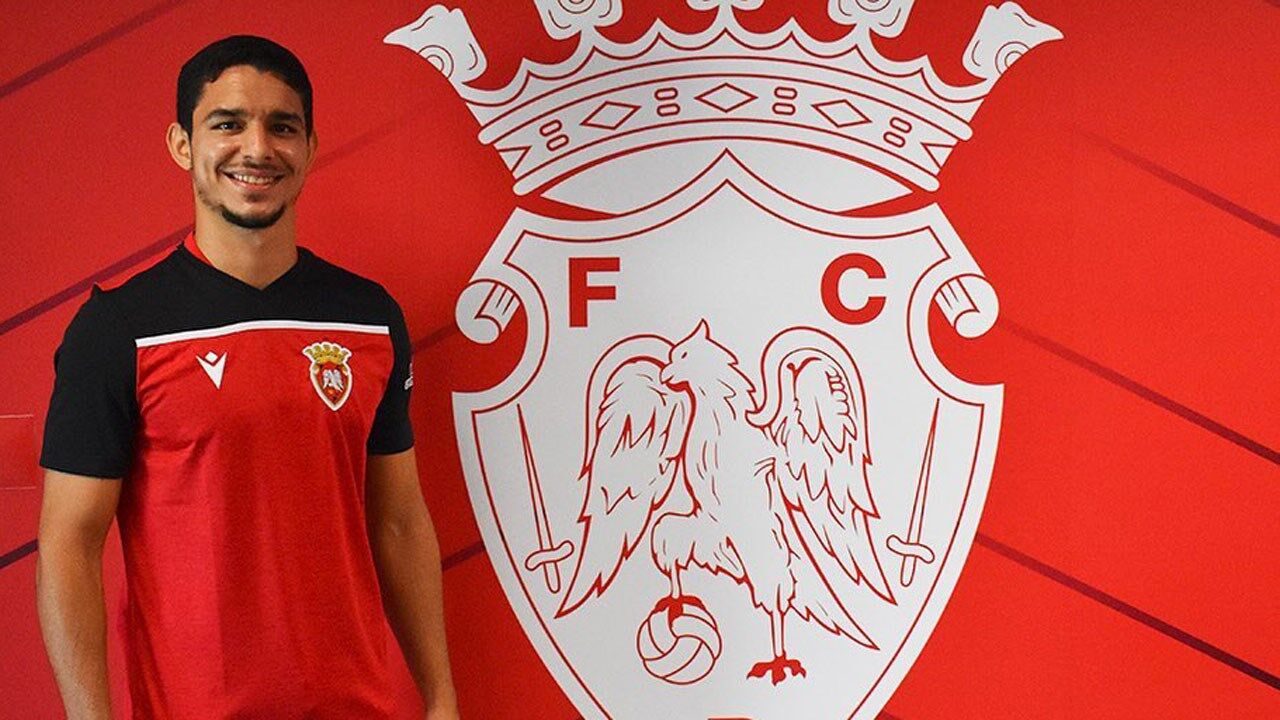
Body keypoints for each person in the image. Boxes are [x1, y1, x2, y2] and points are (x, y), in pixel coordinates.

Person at [35, 35, 459, 719]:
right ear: (182, 144)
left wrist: (441, 700)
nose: (257, 148)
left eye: (282, 126)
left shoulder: (369, 318)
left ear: (310, 147)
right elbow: (69, 545)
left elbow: (399, 521)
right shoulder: (118, 328)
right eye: (227, 124)